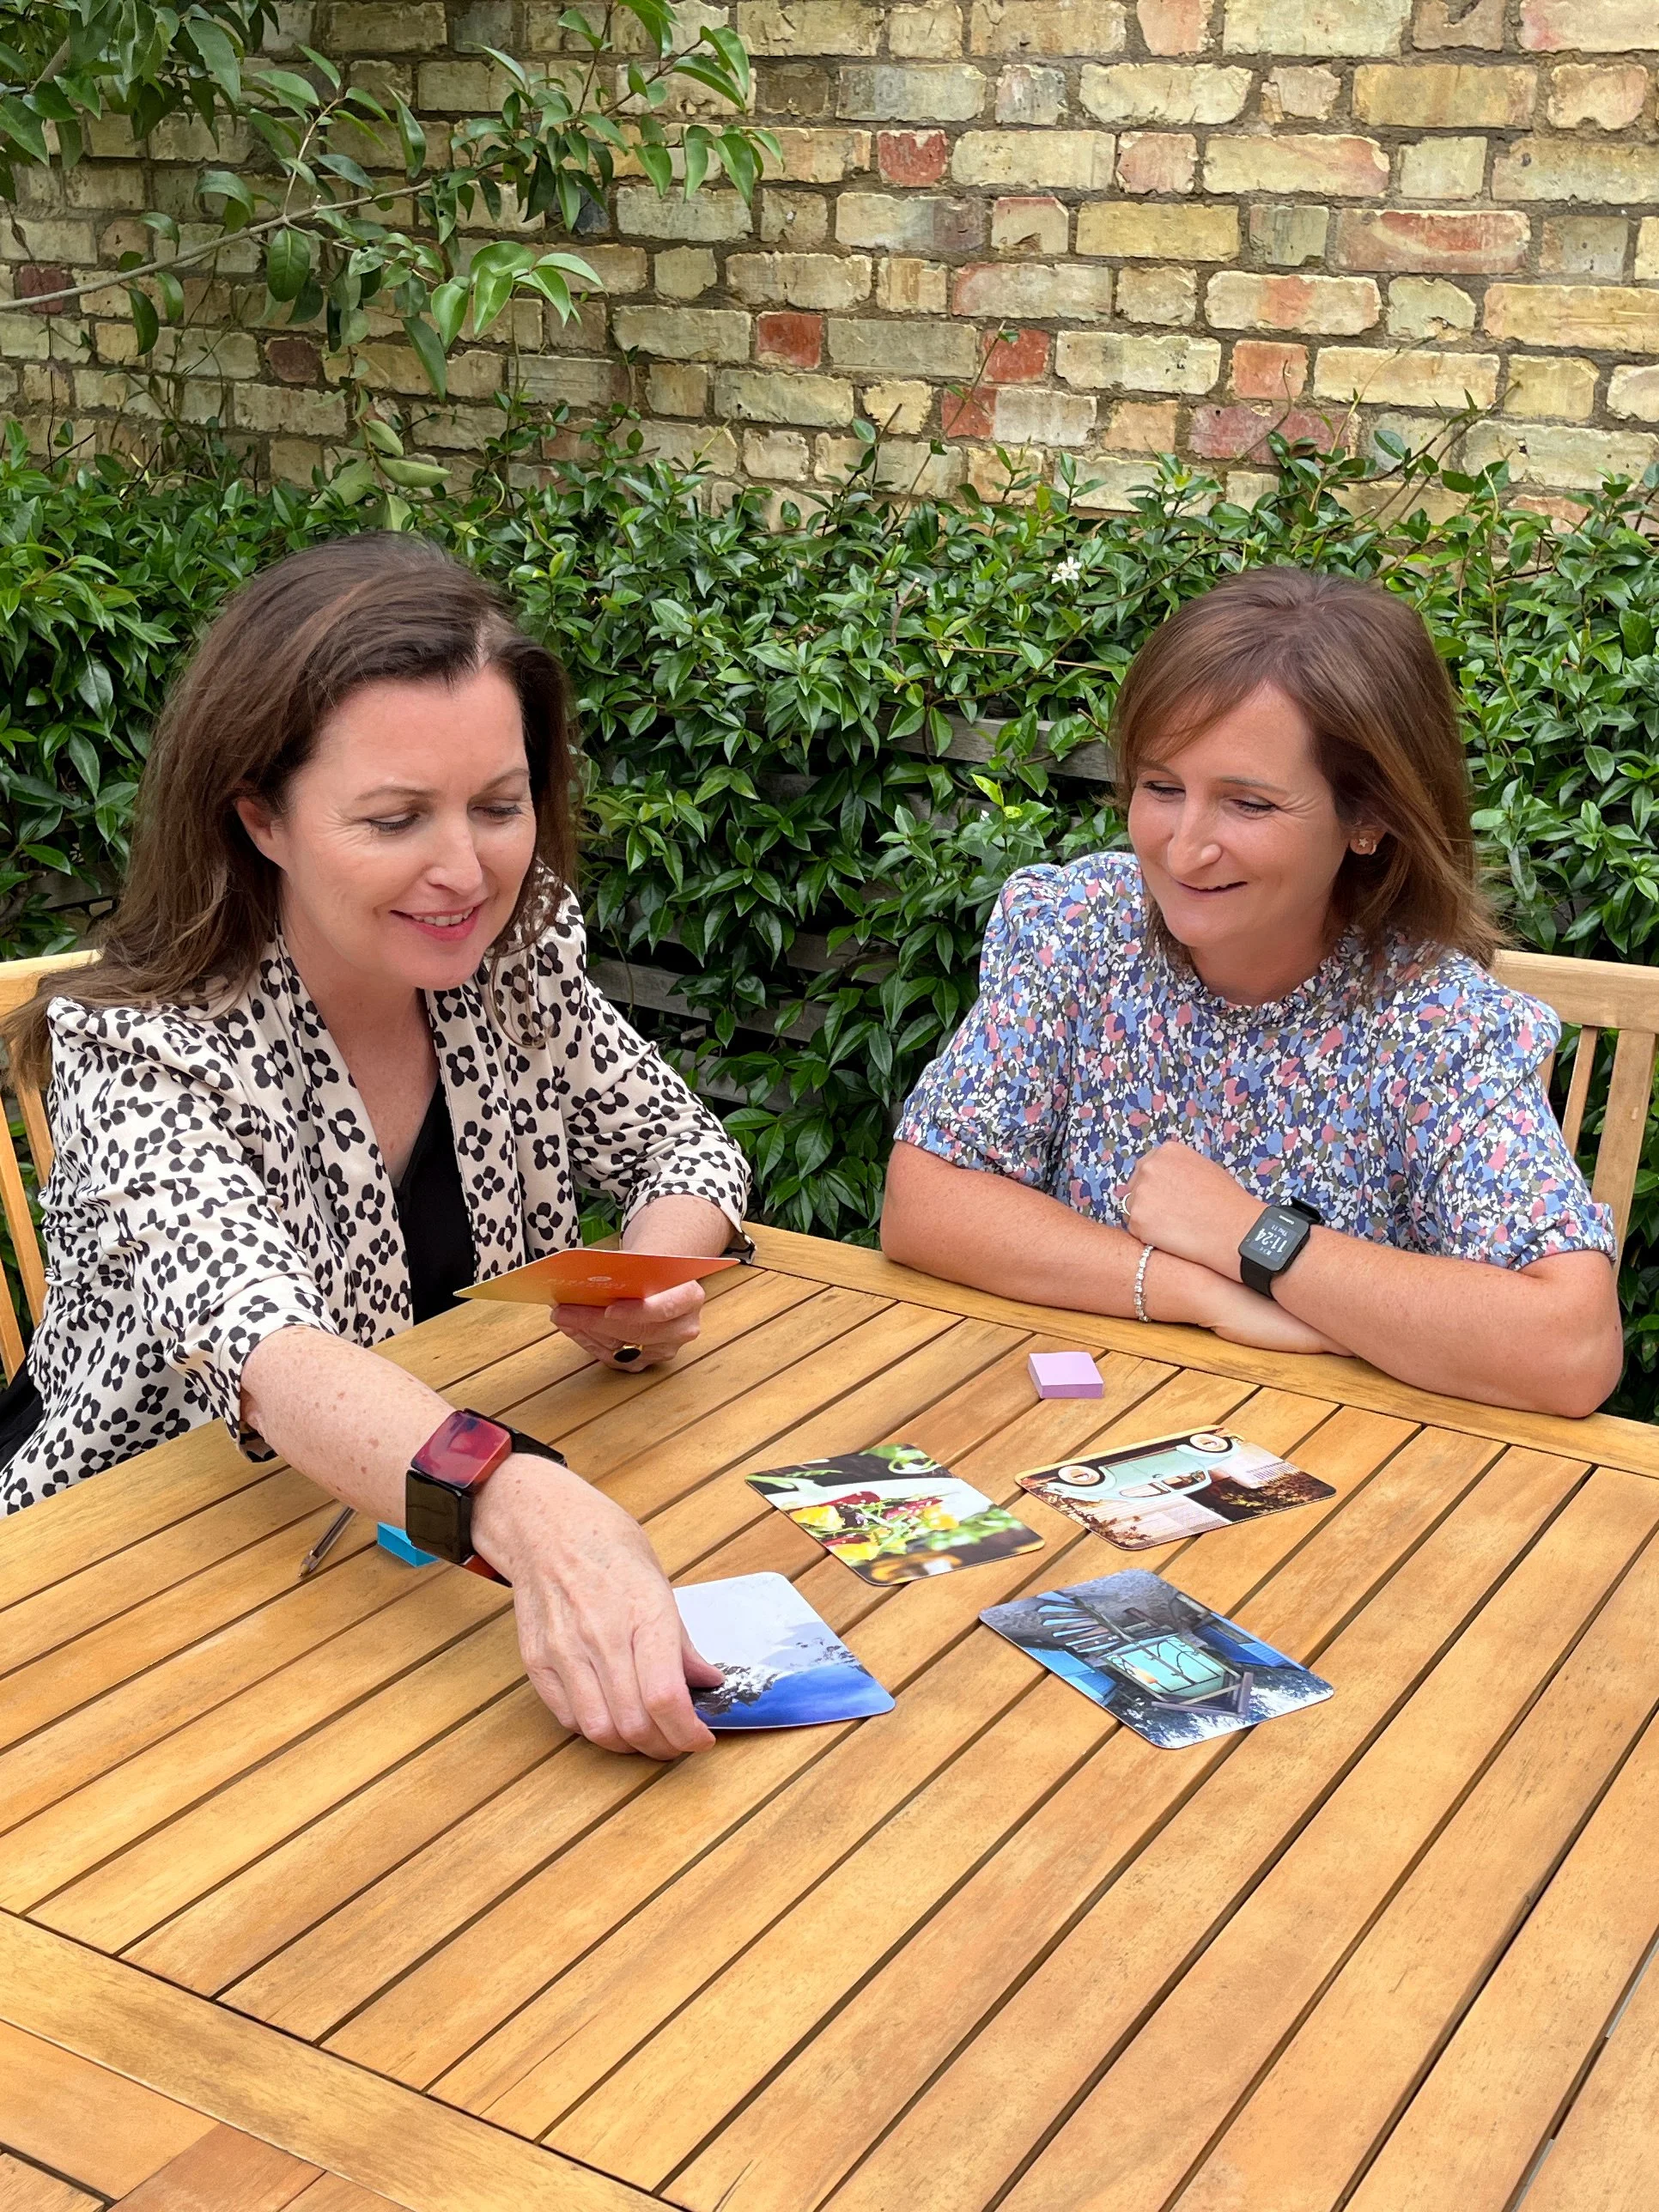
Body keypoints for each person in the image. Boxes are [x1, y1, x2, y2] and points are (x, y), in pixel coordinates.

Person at [0, 532, 754, 1759]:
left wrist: (645, 1282)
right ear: (262, 818)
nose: (465, 871)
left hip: (395, 1557)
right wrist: (528, 1506)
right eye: (396, 818)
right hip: (121, 1573)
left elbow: (685, 1146)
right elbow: (267, 1347)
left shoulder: (518, 959)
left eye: (500, 807)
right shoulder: (138, 1047)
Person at [882, 566, 1624, 1419]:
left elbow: (1571, 1346)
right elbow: (924, 1196)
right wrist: (1190, 1289)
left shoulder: (1433, 1023)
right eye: (1162, 787)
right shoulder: (1082, 929)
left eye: (1247, 803)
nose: (1185, 846)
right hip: (1071, 1437)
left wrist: (1251, 1234)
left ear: (1367, 819)